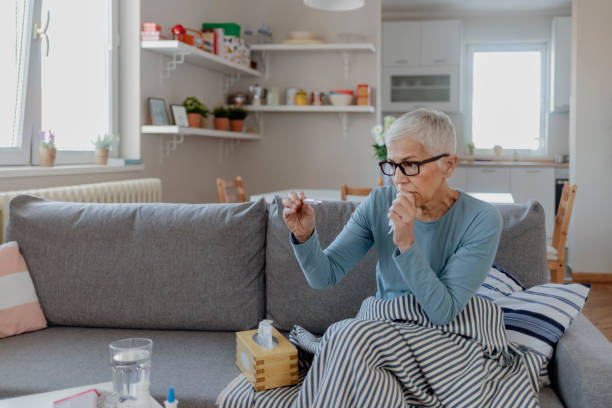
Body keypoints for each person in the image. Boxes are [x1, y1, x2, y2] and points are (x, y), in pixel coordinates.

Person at [282, 109, 503, 325]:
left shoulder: (481, 220)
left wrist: (406, 244)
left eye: (410, 164)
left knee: (343, 338)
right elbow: (324, 277)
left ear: (448, 166)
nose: (398, 179)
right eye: (392, 165)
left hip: (439, 334)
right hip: (384, 323)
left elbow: (442, 313)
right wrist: (304, 236)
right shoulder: (379, 202)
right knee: (342, 336)